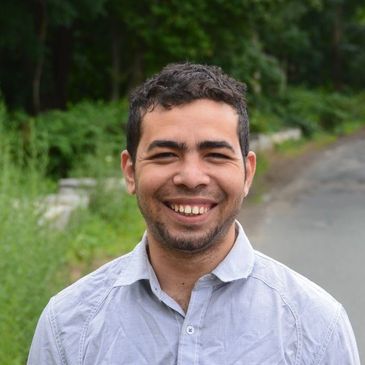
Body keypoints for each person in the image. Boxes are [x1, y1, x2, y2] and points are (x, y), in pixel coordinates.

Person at [27, 63, 360, 365]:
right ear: (130, 172)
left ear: (247, 173)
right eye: (166, 155)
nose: (191, 177)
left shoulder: (317, 329)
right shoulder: (68, 327)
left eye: (215, 154)